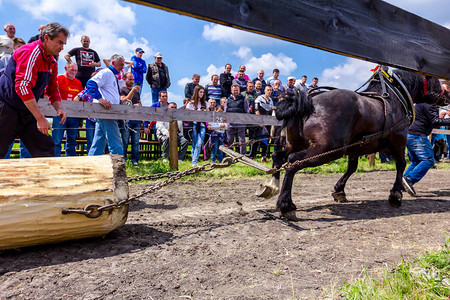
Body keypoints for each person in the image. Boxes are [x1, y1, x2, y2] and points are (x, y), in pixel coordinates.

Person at [0, 22, 68, 158]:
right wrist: (40, 118)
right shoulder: (31, 52)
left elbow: (53, 88)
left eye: (63, 45)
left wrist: (58, 108)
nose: (61, 48)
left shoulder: (52, 63)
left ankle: (44, 179)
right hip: (6, 106)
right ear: (47, 38)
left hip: (26, 109)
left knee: (45, 147)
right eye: (59, 43)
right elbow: (23, 86)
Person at [402, 101, 450, 196]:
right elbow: (435, 121)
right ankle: (409, 179)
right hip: (418, 135)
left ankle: (402, 183)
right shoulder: (429, 105)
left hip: (409, 134)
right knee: (428, 160)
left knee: (416, 161)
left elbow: (432, 120)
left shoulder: (421, 103)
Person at [86, 54, 125, 156]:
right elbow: (91, 83)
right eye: (120, 64)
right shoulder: (106, 72)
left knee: (99, 141)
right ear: (113, 63)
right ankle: (118, 168)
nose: (122, 67)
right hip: (107, 112)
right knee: (115, 142)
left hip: (106, 111)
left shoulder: (111, 75)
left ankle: (91, 165)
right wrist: (100, 99)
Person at [52, 62, 83, 157]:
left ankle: (71, 158)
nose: (74, 72)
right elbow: (49, 94)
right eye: (72, 70)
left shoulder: (78, 83)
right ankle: (55, 159)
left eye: (76, 70)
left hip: (74, 115)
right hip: (59, 114)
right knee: (57, 139)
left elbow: (82, 98)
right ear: (66, 68)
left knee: (72, 139)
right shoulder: (58, 79)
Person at [119, 72, 141, 166]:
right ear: (124, 79)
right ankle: (123, 160)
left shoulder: (137, 92)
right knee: (125, 140)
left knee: (136, 141)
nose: (132, 81)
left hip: (136, 119)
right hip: (126, 119)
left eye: (133, 79)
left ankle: (135, 160)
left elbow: (140, 103)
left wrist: (139, 105)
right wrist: (132, 91)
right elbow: (124, 102)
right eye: (130, 79)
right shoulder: (122, 90)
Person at [250, 85, 274, 162]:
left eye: (270, 90)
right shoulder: (259, 99)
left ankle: (263, 156)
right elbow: (256, 110)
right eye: (268, 90)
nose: (269, 91)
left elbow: (271, 111)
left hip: (268, 122)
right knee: (256, 140)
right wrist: (260, 121)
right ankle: (251, 156)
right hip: (260, 122)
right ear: (264, 90)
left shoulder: (270, 100)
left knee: (265, 140)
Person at [186, 85, 208, 167]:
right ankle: (194, 161)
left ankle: (194, 162)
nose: (202, 94)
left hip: (202, 124)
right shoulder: (191, 104)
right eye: (200, 92)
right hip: (194, 124)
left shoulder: (206, 103)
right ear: (196, 92)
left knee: (199, 143)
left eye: (203, 92)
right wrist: (196, 111)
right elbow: (188, 115)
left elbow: (208, 115)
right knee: (195, 143)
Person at [225, 84, 249, 155]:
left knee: (242, 140)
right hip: (230, 123)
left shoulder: (243, 99)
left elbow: (247, 110)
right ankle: (231, 154)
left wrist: (245, 121)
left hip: (240, 122)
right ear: (231, 91)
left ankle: (242, 155)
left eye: (237, 90)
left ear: (239, 91)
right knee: (230, 140)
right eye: (234, 90)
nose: (235, 92)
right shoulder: (228, 100)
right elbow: (225, 111)